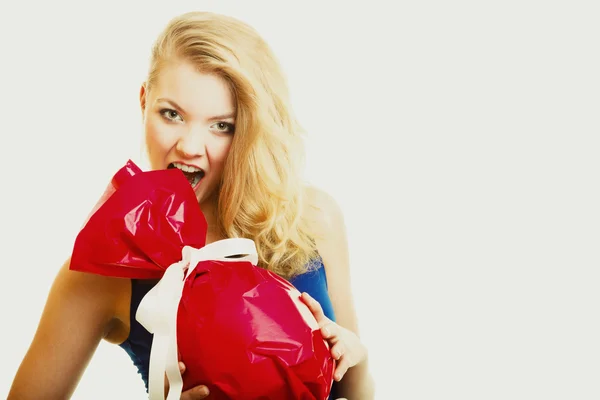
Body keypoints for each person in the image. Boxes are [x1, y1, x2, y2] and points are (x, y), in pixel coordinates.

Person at [8, 11, 374, 400]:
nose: (189, 146)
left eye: (222, 125)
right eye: (172, 114)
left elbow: (357, 390)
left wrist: (357, 356)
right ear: (144, 101)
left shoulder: (312, 218)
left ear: (250, 129)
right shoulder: (104, 266)